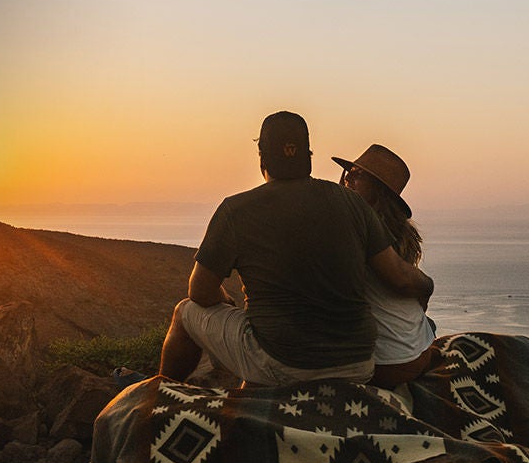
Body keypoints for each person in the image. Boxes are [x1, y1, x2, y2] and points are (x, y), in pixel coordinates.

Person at [157, 111, 435, 387]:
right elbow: (399, 276)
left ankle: (159, 392)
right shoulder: (354, 206)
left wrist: (225, 301)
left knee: (185, 312)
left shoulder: (236, 210)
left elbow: (199, 292)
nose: (348, 178)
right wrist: (427, 287)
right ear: (309, 156)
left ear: (262, 158)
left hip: (284, 365)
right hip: (358, 365)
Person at [333, 144, 439, 388]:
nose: (348, 176)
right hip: (419, 352)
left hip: (388, 366)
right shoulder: (400, 235)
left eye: (357, 174)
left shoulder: (355, 229)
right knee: (428, 324)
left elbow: (400, 279)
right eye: (348, 171)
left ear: (378, 191)